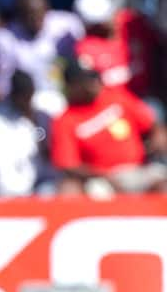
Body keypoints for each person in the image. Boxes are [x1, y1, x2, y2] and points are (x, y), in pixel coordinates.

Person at [51, 59, 167, 195]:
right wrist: (104, 175)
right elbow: (68, 165)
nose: (94, 83)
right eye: (86, 81)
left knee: (163, 186)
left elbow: (153, 125)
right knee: (71, 190)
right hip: (100, 180)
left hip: (138, 169)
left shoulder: (116, 98)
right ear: (72, 86)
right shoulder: (65, 120)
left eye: (94, 77)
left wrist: (158, 136)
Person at [6, 0, 84, 115]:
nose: (35, 18)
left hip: (68, 92)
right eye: (29, 14)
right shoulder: (7, 38)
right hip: (34, 101)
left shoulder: (68, 24)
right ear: (19, 16)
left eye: (39, 12)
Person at [0, 69, 55, 195]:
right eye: (24, 97)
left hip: (39, 185)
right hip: (4, 189)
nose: (27, 101)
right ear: (14, 95)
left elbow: (49, 156)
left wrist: (34, 122)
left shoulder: (40, 118)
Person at [73, 0, 158, 98]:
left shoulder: (132, 22)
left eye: (110, 15)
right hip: (121, 104)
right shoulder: (85, 50)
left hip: (152, 88)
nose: (108, 22)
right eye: (101, 22)